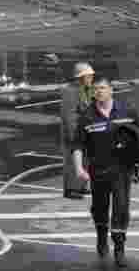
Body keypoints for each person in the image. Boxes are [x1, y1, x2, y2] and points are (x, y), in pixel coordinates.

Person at [72, 77, 139, 268]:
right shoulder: (87, 116)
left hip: (122, 169)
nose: (99, 91)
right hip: (98, 170)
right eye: (96, 89)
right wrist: (79, 168)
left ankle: (119, 248)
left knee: (121, 208)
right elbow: (77, 145)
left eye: (102, 88)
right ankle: (101, 237)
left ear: (111, 90)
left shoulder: (127, 111)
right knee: (100, 208)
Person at [61, 62, 95, 199]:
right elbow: (69, 116)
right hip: (74, 132)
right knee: (71, 162)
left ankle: (81, 186)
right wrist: (74, 135)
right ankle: (70, 190)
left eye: (91, 76)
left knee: (85, 160)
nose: (91, 78)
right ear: (80, 77)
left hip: (85, 130)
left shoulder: (87, 89)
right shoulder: (70, 91)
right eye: (88, 76)